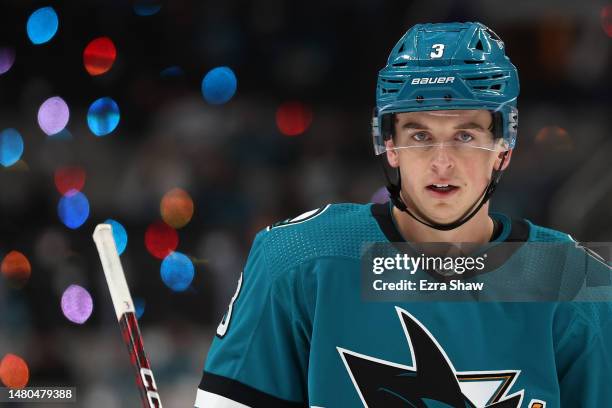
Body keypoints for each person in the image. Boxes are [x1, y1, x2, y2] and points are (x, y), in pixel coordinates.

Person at [195, 22, 612, 407]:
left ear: (504, 147)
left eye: (465, 135)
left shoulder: (573, 283)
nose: (442, 162)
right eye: (420, 136)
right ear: (389, 145)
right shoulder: (298, 259)